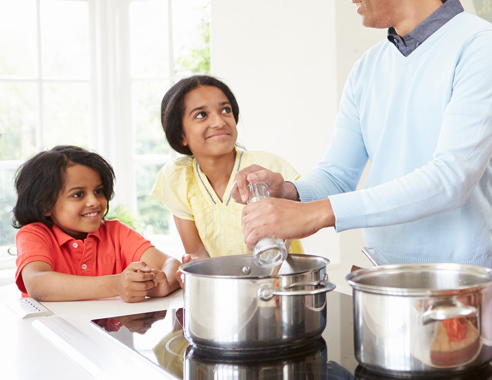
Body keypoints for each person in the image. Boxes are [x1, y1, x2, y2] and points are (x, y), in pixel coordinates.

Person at [232, 0, 492, 330]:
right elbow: (337, 173)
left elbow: (451, 180)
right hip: (382, 285)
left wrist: (318, 214)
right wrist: (289, 193)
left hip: (460, 294)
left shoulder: (483, 47)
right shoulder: (369, 66)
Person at [150, 75, 303, 262]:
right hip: (225, 286)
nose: (219, 122)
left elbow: (305, 220)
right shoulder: (177, 176)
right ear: (181, 134)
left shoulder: (267, 166)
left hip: (285, 283)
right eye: (201, 115)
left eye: (225, 110)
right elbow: (198, 254)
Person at [13, 145, 181, 302]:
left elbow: (171, 264)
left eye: (98, 191)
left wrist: (163, 284)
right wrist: (116, 284)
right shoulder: (34, 234)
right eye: (78, 194)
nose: (94, 201)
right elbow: (37, 284)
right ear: (45, 205)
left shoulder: (116, 232)